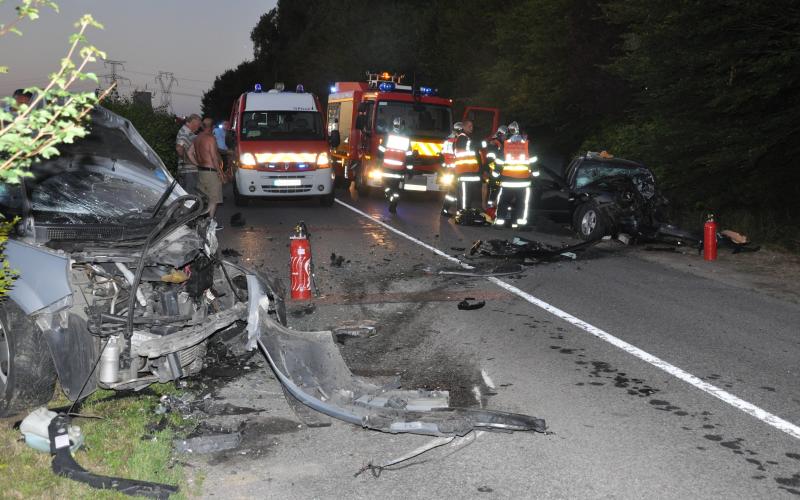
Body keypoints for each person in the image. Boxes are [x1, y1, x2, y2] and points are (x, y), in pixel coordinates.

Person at [494, 121, 538, 229]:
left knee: (503, 201)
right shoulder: (527, 144)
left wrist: (495, 174)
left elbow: (499, 161)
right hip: (523, 181)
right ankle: (521, 224)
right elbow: (533, 161)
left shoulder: (506, 144)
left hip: (508, 180)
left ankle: (499, 222)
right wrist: (536, 175)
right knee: (522, 204)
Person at [191, 118, 225, 219]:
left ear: (202, 126)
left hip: (201, 171)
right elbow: (214, 157)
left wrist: (197, 164)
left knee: (204, 199)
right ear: (212, 127)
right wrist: (220, 172)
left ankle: (203, 221)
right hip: (211, 172)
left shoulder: (196, 138)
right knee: (213, 200)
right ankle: (209, 223)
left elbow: (189, 153)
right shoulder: (211, 138)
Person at [378, 117, 412, 213]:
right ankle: (393, 204)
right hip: (399, 169)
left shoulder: (388, 136)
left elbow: (380, 151)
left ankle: (389, 196)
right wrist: (409, 170)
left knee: (386, 185)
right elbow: (409, 156)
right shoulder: (406, 139)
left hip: (387, 167)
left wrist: (378, 161)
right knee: (396, 188)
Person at [451, 120, 482, 218]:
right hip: (464, 171)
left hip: (469, 171)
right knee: (464, 195)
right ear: (463, 127)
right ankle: (462, 214)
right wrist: (483, 143)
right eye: (469, 126)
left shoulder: (466, 138)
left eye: (472, 126)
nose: (471, 127)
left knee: (468, 195)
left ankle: (464, 213)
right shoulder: (462, 139)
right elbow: (472, 145)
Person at [175, 114, 202, 195]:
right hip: (189, 170)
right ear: (191, 123)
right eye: (196, 126)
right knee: (190, 197)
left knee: (187, 196)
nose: (197, 128)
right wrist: (187, 161)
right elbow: (179, 148)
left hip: (187, 170)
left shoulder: (187, 132)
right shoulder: (185, 132)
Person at [440, 122, 462, 216]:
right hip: (456, 169)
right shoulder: (458, 140)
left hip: (448, 168)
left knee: (452, 191)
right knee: (457, 190)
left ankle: (446, 209)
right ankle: (460, 211)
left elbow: (442, 152)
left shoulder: (448, 139)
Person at [484, 125, 508, 212]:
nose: (505, 137)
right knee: (494, 189)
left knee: (496, 190)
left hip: (498, 170)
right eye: (504, 135)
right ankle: (490, 209)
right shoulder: (494, 144)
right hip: (494, 170)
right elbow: (490, 159)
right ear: (500, 135)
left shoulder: (500, 144)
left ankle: (492, 208)